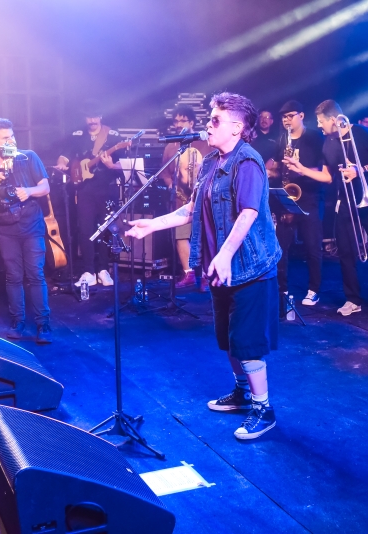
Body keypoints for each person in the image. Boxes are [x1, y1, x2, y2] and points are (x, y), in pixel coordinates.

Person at [126, 92, 281, 440]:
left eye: (215, 120)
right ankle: (243, 393)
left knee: (247, 342)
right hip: (221, 267)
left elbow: (248, 213)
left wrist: (224, 254)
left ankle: (264, 409)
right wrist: (153, 224)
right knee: (228, 338)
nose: (207, 126)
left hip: (250, 268)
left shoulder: (248, 162)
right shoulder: (211, 161)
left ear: (237, 128)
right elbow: (191, 208)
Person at [285, 99, 368, 315]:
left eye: (321, 121)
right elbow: (327, 176)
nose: (319, 125)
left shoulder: (362, 133)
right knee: (346, 252)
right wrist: (302, 169)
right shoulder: (328, 143)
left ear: (334, 120)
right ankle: (353, 299)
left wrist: (360, 170)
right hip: (347, 202)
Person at [0, 117, 52, 344]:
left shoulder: (28, 157)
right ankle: (18, 322)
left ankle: (43, 324)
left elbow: (45, 187)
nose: (11, 141)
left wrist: (29, 191)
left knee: (35, 273)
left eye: (12, 136)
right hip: (5, 229)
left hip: (31, 224)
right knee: (13, 276)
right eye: (5, 138)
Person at [266, 100, 329, 307]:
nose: (286, 120)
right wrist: (269, 172)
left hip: (310, 197)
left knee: (312, 246)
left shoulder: (315, 138)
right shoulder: (282, 139)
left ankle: (313, 290)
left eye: (290, 116)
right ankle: (282, 289)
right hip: (287, 198)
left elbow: (325, 170)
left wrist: (301, 169)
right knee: (281, 247)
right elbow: (277, 168)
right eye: (283, 117)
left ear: (301, 116)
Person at [54, 109, 126, 289]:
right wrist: (62, 163)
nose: (92, 120)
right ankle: (89, 271)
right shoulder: (77, 135)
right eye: (88, 117)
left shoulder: (113, 136)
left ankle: (103, 269)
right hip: (84, 190)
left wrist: (111, 165)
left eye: (95, 116)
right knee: (85, 230)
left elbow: (125, 163)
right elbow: (65, 154)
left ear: (100, 116)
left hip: (107, 189)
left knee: (106, 230)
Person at [160, 105, 210, 289]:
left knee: (204, 236)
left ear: (192, 123)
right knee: (180, 236)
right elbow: (164, 172)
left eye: (183, 121)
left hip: (203, 198)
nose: (179, 124)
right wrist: (170, 184)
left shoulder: (205, 142)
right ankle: (188, 273)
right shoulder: (171, 146)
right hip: (180, 199)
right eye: (176, 121)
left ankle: (205, 276)